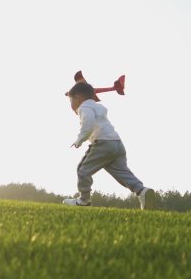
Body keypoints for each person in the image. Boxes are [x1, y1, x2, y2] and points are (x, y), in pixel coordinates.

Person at [63, 82, 156, 210]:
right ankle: (142, 191)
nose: (70, 104)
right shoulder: (96, 106)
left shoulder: (84, 107)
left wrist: (80, 139)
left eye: (71, 100)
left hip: (102, 143)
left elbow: (88, 124)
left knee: (83, 170)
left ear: (78, 98)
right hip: (117, 143)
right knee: (122, 172)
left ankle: (83, 200)